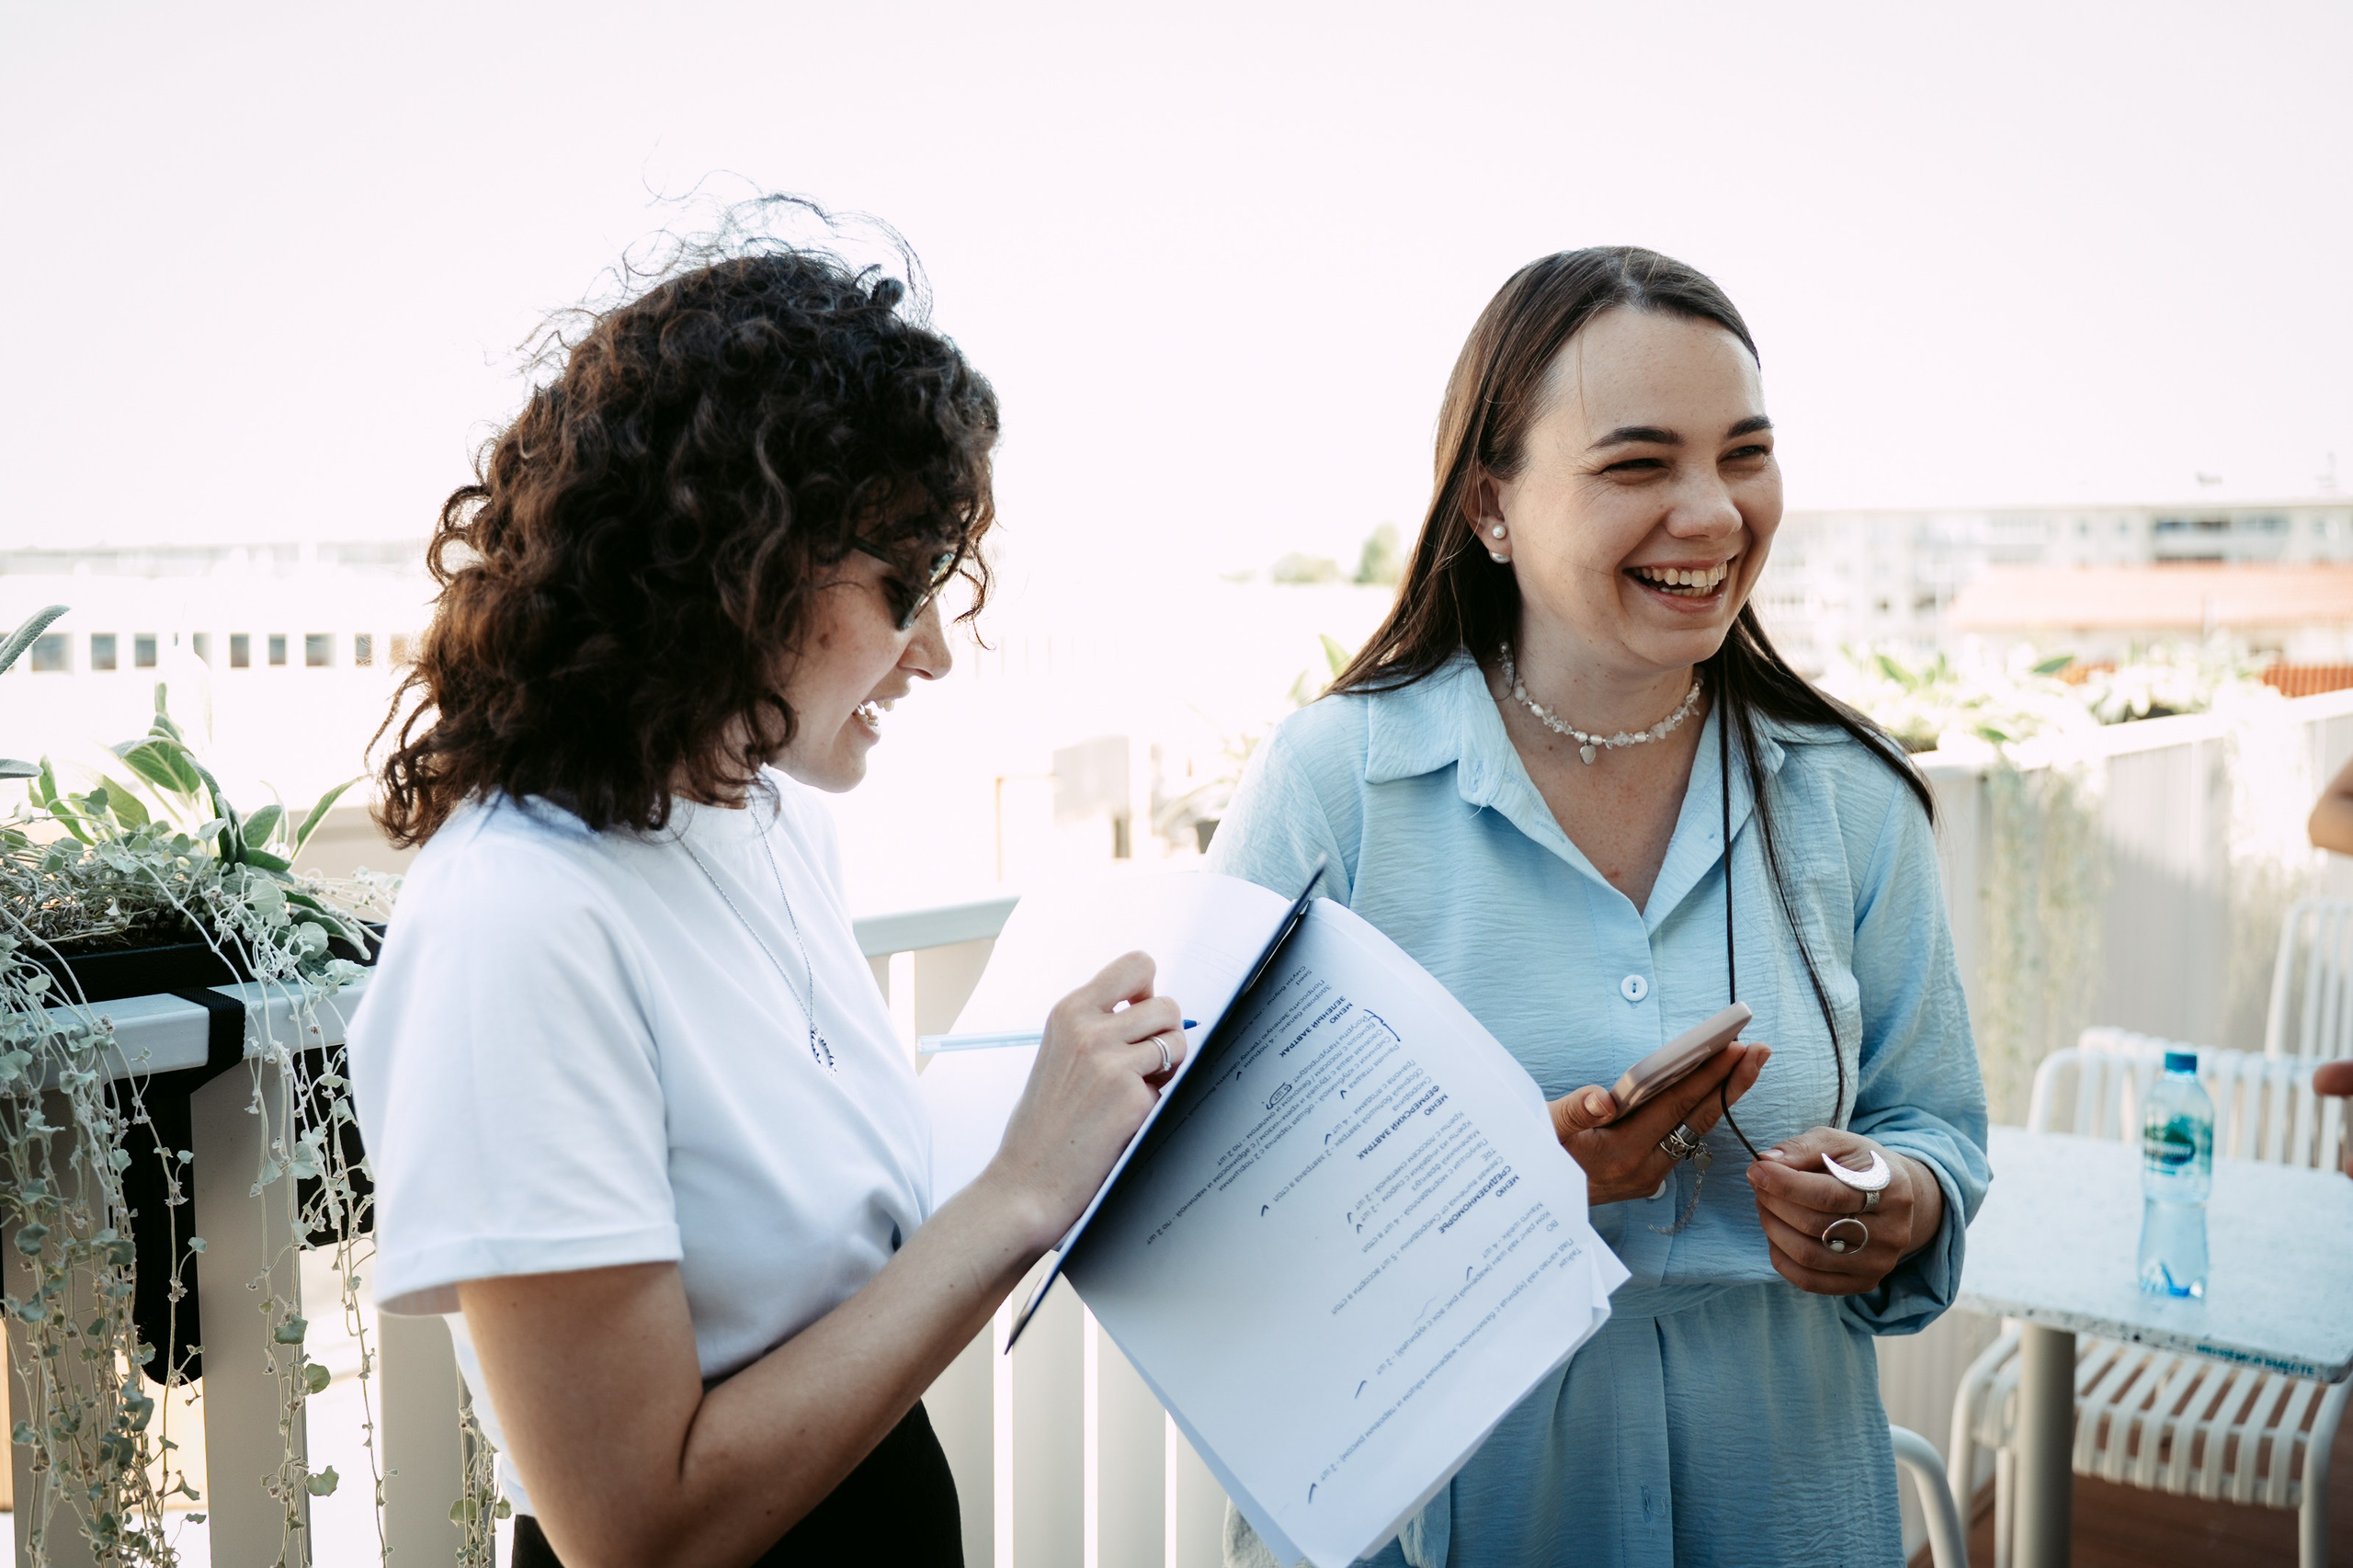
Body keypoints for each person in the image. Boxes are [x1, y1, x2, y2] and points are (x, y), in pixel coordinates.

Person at [347, 214, 1188, 1568]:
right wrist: (1017, 1192)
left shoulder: (760, 807)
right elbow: (637, 1529)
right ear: (736, 565)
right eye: (901, 587)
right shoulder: (517, 925)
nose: (932, 657)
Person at [1209, 247, 1991, 1567]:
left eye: (1745, 453)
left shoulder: (1855, 800)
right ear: (1492, 506)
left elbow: (1935, 1126)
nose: (1715, 512)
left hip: (1791, 1509)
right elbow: (1209, 1200)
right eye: (1638, 465)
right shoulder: (1335, 785)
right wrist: (1517, 1185)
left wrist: (1898, 1194)